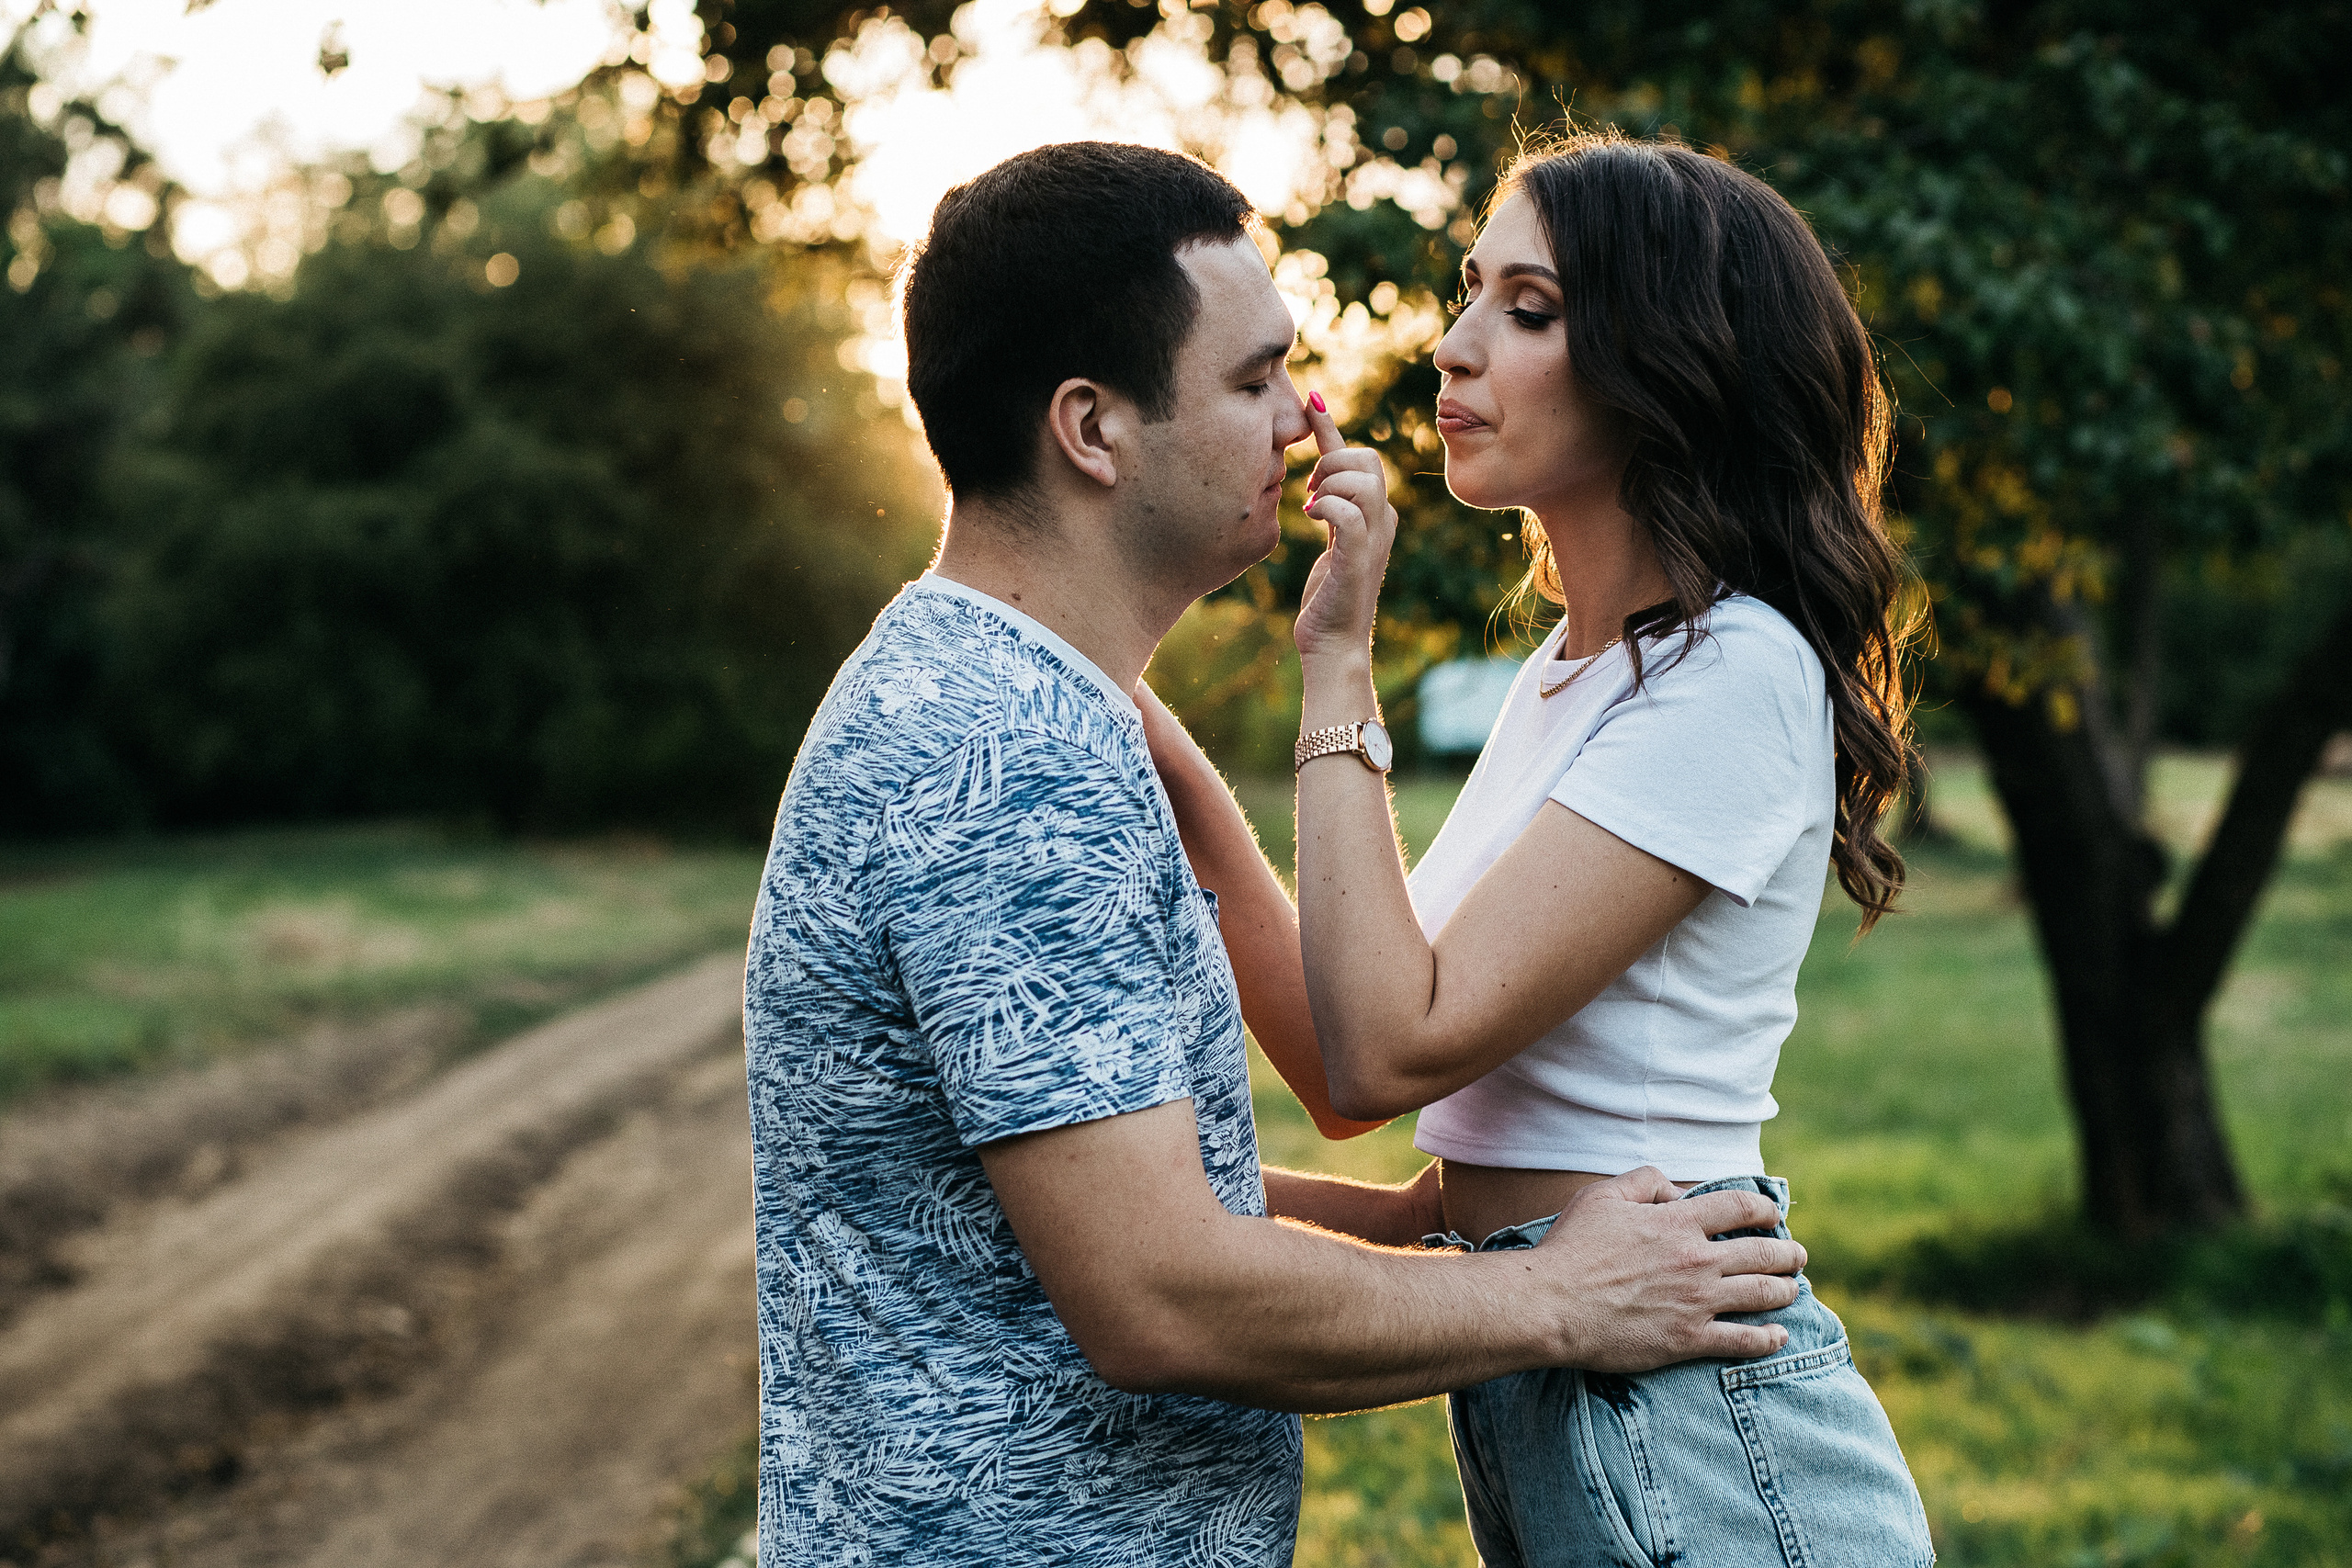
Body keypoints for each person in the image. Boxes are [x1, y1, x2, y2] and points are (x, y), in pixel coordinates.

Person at [743, 140, 1809, 1566]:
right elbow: (1161, 1289)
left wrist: (1432, 1237)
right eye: (1256, 381)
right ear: (1092, 430)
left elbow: (1102, 1200)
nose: (1306, 421)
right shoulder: (1007, 754)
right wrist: (1555, 1295)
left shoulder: (1012, 708)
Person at [1151, 131, 1939, 1564]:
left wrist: (1340, 663)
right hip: (1571, 1391)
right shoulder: (1571, 678)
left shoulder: (1736, 670)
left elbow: (1388, 1047)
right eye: (1470, 293)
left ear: (1669, 364)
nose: (1452, 346)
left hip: (1698, 1436)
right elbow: (1342, 1063)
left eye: (1528, 309)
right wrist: (1132, 716)